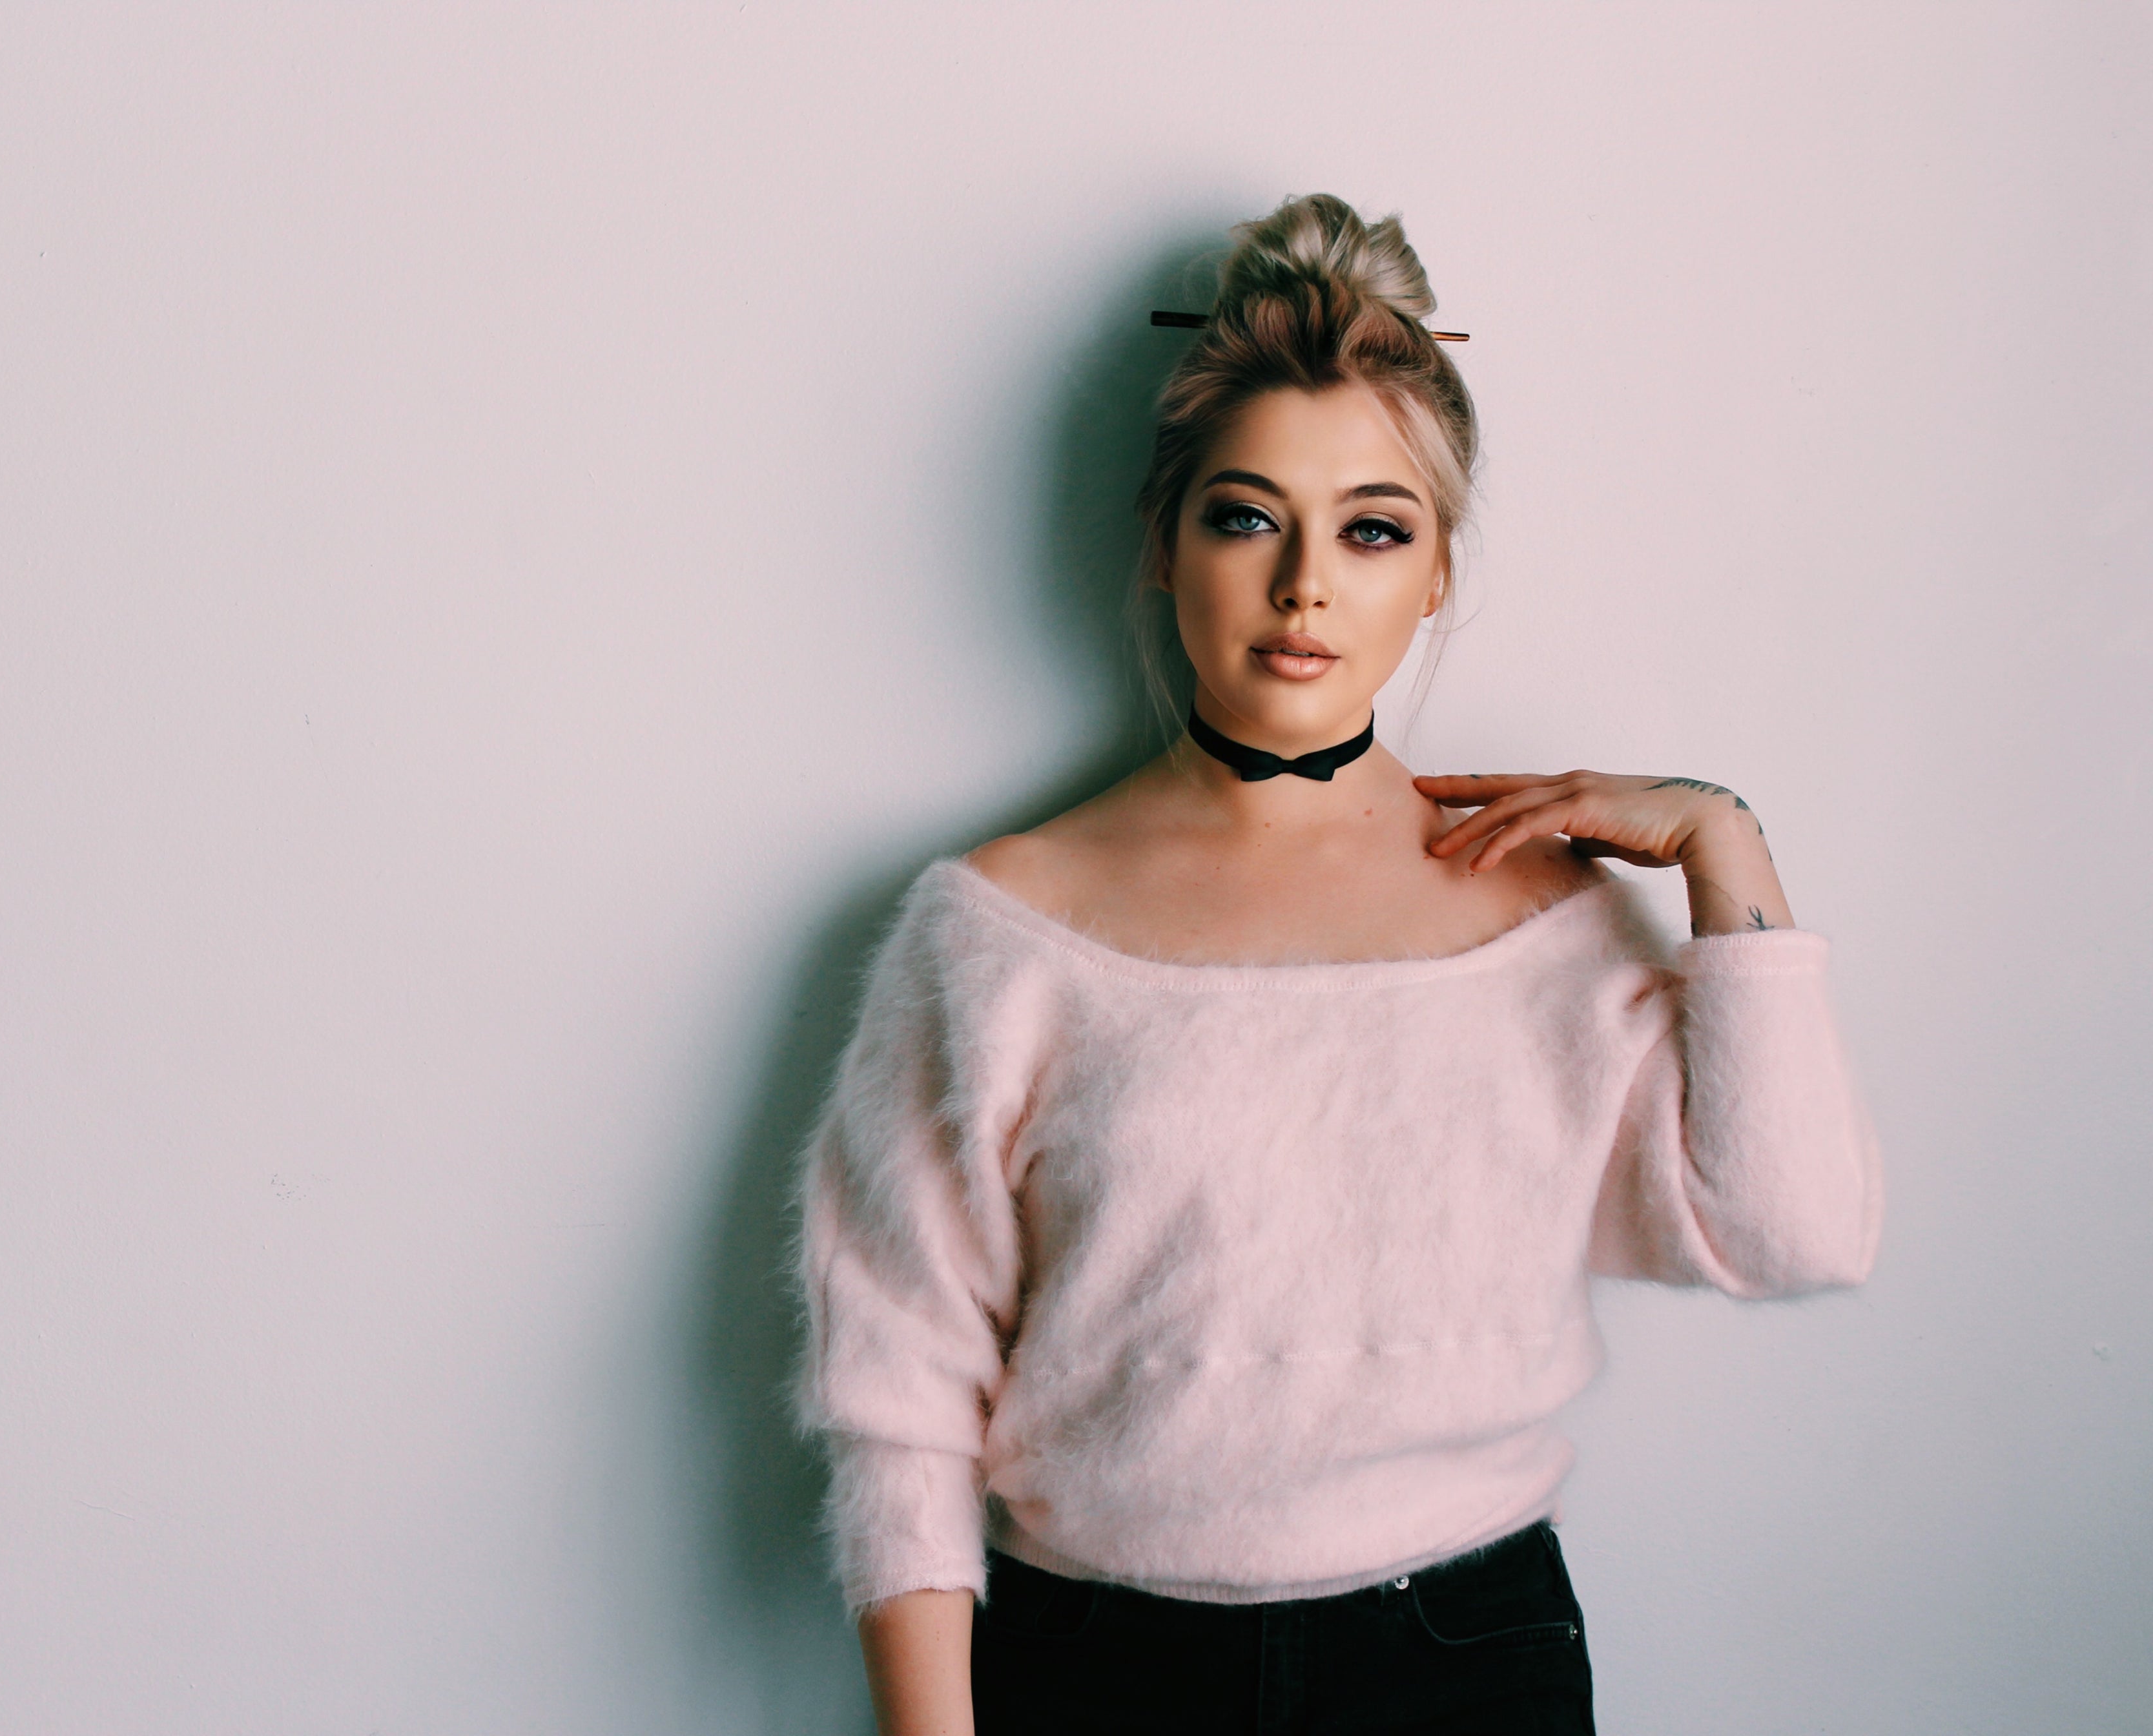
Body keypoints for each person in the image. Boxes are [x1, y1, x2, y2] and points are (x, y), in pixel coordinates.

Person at [788, 192, 1884, 1736]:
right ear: (1166, 546)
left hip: (1465, 1658)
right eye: (1247, 516)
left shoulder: (1546, 921)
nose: (1307, 584)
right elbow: (894, 1401)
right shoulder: (995, 930)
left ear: (1435, 575)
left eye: (1374, 528)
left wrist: (1725, 849)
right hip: (1093, 1668)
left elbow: (1791, 1236)